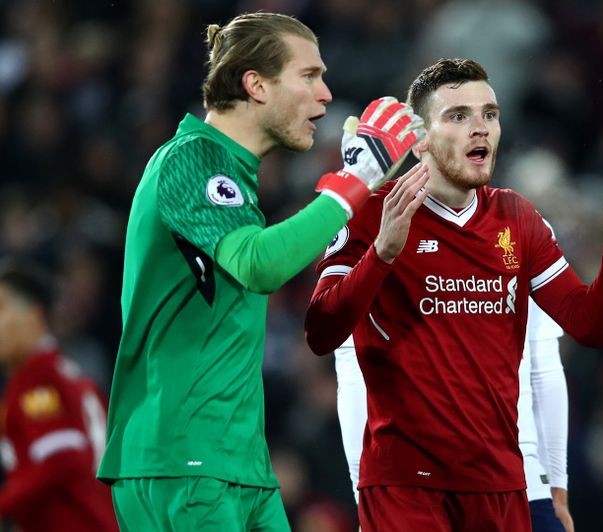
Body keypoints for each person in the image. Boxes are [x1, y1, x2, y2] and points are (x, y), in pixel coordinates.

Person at [96, 12, 424, 531]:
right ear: (256, 84)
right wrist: (357, 177)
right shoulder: (190, 158)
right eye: (309, 75)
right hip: (183, 460)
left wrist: (378, 196)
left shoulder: (236, 180)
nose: (325, 95)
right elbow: (258, 264)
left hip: (240, 464)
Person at [305, 58, 603, 531]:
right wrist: (381, 255)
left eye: (489, 113)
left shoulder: (516, 217)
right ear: (420, 138)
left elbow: (590, 326)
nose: (480, 129)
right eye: (458, 116)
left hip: (500, 487)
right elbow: (320, 329)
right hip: (407, 486)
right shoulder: (373, 213)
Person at [334, 298, 573, 531]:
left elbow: (353, 375)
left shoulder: (369, 260)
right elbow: (545, 369)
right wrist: (556, 485)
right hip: (437, 483)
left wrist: (363, 497)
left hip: (422, 488)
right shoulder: (522, 258)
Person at [0, 260, 118, 532]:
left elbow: (63, 458)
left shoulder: (37, 379)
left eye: (2, 308)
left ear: (34, 318)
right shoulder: (67, 374)